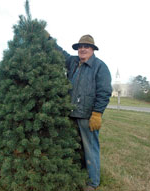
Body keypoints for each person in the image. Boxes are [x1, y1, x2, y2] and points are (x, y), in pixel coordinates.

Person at [55, 34, 112, 191]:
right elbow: (60, 53)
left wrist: (97, 113)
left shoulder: (100, 67)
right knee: (74, 147)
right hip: (71, 114)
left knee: (90, 149)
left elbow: (104, 91)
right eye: (80, 46)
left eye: (86, 46)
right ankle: (77, 173)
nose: (82, 49)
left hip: (87, 116)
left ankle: (93, 182)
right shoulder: (73, 62)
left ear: (92, 49)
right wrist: (48, 39)